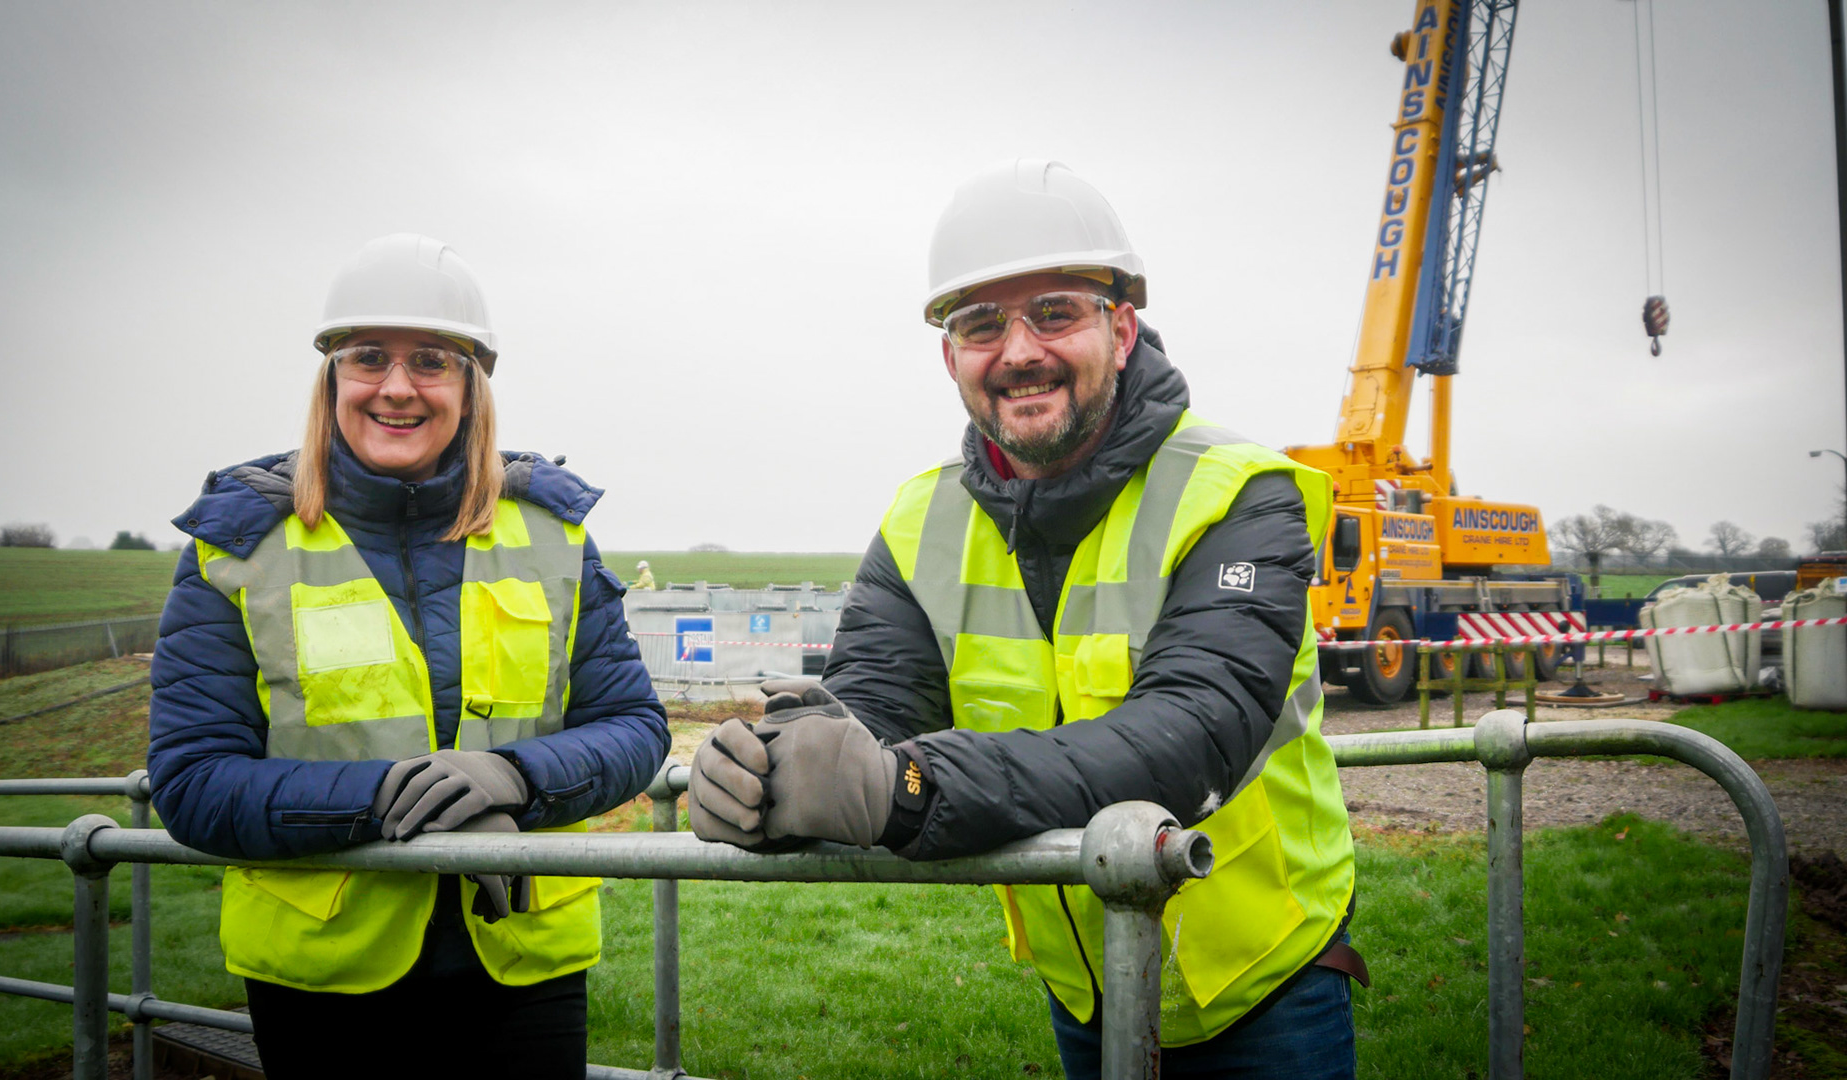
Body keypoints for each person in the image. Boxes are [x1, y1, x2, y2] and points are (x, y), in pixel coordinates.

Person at [688, 162, 1361, 1078]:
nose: (1017, 352)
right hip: (1084, 986)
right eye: (980, 324)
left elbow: (1193, 731)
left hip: (1269, 981)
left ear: (1120, 330)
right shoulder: (922, 521)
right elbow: (870, 709)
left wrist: (912, 787)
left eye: (1054, 313)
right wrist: (772, 767)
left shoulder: (1239, 493)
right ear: (949, 355)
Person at [147, 233, 671, 1079]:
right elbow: (192, 779)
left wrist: (516, 781)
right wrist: (389, 799)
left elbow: (635, 727)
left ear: (471, 385)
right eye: (367, 358)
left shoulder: (553, 536)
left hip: (523, 966)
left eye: (431, 359)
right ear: (332, 380)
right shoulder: (237, 549)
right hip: (322, 981)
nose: (397, 386)